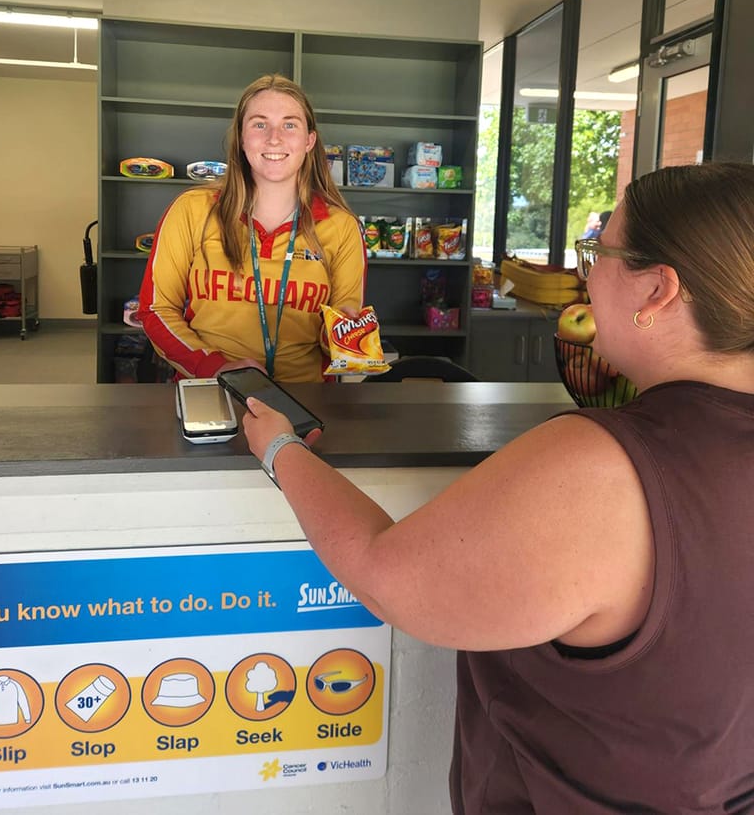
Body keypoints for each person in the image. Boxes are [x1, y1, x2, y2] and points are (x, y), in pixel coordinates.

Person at [241, 161, 754, 812]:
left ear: (656, 289)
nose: (584, 275)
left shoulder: (604, 463)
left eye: (598, 253)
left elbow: (383, 574)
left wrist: (281, 448)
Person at [139, 74, 367, 382]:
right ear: (242, 137)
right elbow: (156, 310)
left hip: (306, 399)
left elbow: (335, 339)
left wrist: (345, 334)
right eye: (260, 124)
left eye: (290, 124)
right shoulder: (192, 210)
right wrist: (214, 367)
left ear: (309, 140)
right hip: (210, 388)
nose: (275, 138)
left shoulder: (342, 227)